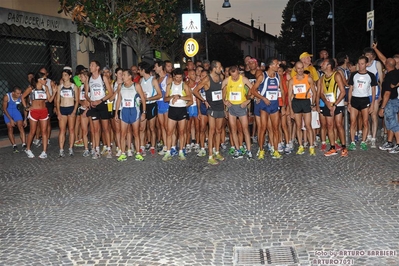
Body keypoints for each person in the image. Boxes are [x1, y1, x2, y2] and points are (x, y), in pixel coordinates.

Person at [194, 60, 226, 165]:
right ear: (214, 68)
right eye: (219, 67)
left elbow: (223, 89)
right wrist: (204, 100)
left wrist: (224, 100)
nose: (221, 69)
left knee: (219, 130)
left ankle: (217, 151)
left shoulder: (221, 77)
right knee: (211, 131)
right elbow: (195, 91)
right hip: (211, 108)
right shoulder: (207, 79)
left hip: (220, 107)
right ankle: (210, 155)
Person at [251, 57, 284, 159]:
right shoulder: (262, 76)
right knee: (262, 128)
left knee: (275, 129)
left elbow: (281, 90)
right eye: (276, 64)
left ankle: (276, 150)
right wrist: (263, 98)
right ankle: (261, 150)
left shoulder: (278, 76)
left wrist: (283, 104)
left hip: (274, 104)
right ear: (270, 65)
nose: (278, 66)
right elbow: (253, 90)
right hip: (264, 105)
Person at [222, 65, 254, 159]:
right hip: (231, 107)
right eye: (233, 76)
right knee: (233, 130)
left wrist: (247, 101)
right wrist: (224, 101)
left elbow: (253, 89)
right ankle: (237, 150)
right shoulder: (227, 80)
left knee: (245, 130)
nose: (234, 78)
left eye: (236, 76)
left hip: (241, 106)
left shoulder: (243, 79)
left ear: (238, 72)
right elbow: (220, 91)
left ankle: (249, 151)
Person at [114, 69, 147, 162]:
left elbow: (143, 100)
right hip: (124, 111)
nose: (122, 76)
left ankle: (138, 153)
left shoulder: (136, 85)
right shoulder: (120, 86)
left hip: (134, 111)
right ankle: (123, 153)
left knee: (136, 134)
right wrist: (116, 112)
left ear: (129, 76)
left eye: (124, 74)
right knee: (123, 133)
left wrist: (144, 112)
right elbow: (118, 100)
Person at [22, 72, 56, 158]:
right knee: (32, 131)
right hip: (34, 111)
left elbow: (50, 100)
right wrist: (26, 107)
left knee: (44, 132)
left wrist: (54, 92)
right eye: (44, 79)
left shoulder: (46, 87)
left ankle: (44, 151)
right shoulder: (31, 88)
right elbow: (22, 97)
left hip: (43, 111)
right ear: (39, 80)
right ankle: (28, 149)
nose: (46, 80)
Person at [84, 60, 114, 159]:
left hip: (102, 104)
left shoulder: (103, 77)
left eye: (92, 65)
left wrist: (100, 100)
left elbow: (110, 93)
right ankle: (96, 150)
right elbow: (86, 94)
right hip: (94, 106)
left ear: (97, 67)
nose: (90, 66)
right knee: (95, 129)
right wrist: (91, 100)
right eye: (90, 65)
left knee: (106, 128)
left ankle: (109, 149)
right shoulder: (88, 78)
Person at [162, 68, 193, 161]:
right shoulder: (169, 85)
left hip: (182, 110)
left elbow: (190, 98)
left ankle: (181, 151)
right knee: (169, 132)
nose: (179, 79)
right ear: (174, 76)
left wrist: (179, 97)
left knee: (182, 131)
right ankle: (168, 151)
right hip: (172, 109)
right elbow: (165, 99)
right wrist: (172, 96)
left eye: (180, 77)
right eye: (177, 77)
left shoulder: (185, 85)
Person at [319, 58, 348, 157]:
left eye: (323, 63)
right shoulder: (322, 77)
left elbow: (343, 91)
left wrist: (335, 104)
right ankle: (332, 148)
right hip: (328, 103)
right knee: (329, 125)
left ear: (328, 65)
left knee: (339, 125)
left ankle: (344, 147)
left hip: (337, 103)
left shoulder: (337, 75)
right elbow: (322, 93)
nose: (321, 65)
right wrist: (327, 103)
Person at [347, 56, 377, 151]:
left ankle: (363, 141)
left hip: (365, 100)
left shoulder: (371, 75)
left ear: (367, 64)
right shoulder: (354, 74)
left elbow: (373, 91)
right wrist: (349, 103)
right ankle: (352, 142)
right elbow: (350, 89)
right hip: (355, 100)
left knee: (365, 122)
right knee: (353, 122)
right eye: (359, 64)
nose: (360, 66)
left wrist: (372, 104)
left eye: (362, 64)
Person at [288, 61, 317, 156]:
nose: (300, 70)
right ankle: (300, 145)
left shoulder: (308, 78)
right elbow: (289, 96)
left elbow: (314, 91)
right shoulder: (292, 80)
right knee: (298, 125)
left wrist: (313, 104)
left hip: (305, 101)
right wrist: (291, 109)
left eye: (301, 68)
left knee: (308, 125)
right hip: (296, 102)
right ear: (295, 69)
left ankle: (311, 146)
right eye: (298, 68)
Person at [138, 61, 162, 156]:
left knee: (152, 127)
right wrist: (140, 97)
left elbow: (159, 94)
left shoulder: (153, 80)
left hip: (151, 105)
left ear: (143, 70)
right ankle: (142, 147)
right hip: (142, 105)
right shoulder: (140, 80)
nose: (138, 72)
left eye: (139, 69)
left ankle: (152, 146)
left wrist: (148, 98)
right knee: (142, 128)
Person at [364, 47, 384, 148]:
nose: (367, 56)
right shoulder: (363, 64)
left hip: (375, 92)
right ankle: (368, 135)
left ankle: (374, 138)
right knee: (365, 116)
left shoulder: (377, 64)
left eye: (369, 54)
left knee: (374, 115)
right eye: (366, 54)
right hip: (364, 93)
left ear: (373, 56)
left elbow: (381, 79)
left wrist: (381, 95)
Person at [56, 68, 79, 157]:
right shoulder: (60, 87)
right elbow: (57, 100)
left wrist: (74, 111)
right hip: (62, 108)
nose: (64, 77)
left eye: (65, 75)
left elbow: (77, 100)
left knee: (71, 129)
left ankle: (70, 148)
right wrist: (58, 112)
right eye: (63, 75)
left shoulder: (74, 87)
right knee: (62, 130)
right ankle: (61, 149)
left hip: (71, 108)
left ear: (69, 76)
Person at [378, 58, 399, 152]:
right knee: (390, 123)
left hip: (390, 101)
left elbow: (387, 93)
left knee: (393, 123)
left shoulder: (390, 75)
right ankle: (390, 143)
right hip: (394, 101)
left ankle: (398, 144)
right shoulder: (396, 72)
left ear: (387, 65)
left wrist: (382, 107)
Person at [154, 60, 173, 155]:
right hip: (159, 104)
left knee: (167, 126)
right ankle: (165, 146)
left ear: (161, 67)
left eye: (156, 67)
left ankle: (171, 146)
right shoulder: (157, 80)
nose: (154, 69)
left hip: (166, 104)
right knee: (162, 126)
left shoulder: (168, 78)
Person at [2, 86, 26, 152]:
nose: (19, 95)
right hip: (7, 112)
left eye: (20, 93)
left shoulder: (21, 97)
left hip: (16, 111)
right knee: (10, 127)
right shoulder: (7, 96)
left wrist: (25, 119)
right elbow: (4, 109)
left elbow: (25, 108)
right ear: (13, 93)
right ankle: (14, 145)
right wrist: (11, 119)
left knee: (20, 126)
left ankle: (24, 144)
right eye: (17, 93)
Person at [77, 68, 92, 157]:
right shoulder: (80, 87)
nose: (80, 79)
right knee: (84, 130)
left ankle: (94, 147)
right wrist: (83, 104)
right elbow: (79, 99)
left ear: (86, 77)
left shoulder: (91, 86)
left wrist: (87, 108)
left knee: (94, 130)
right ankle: (86, 148)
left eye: (81, 77)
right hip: (83, 109)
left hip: (91, 109)